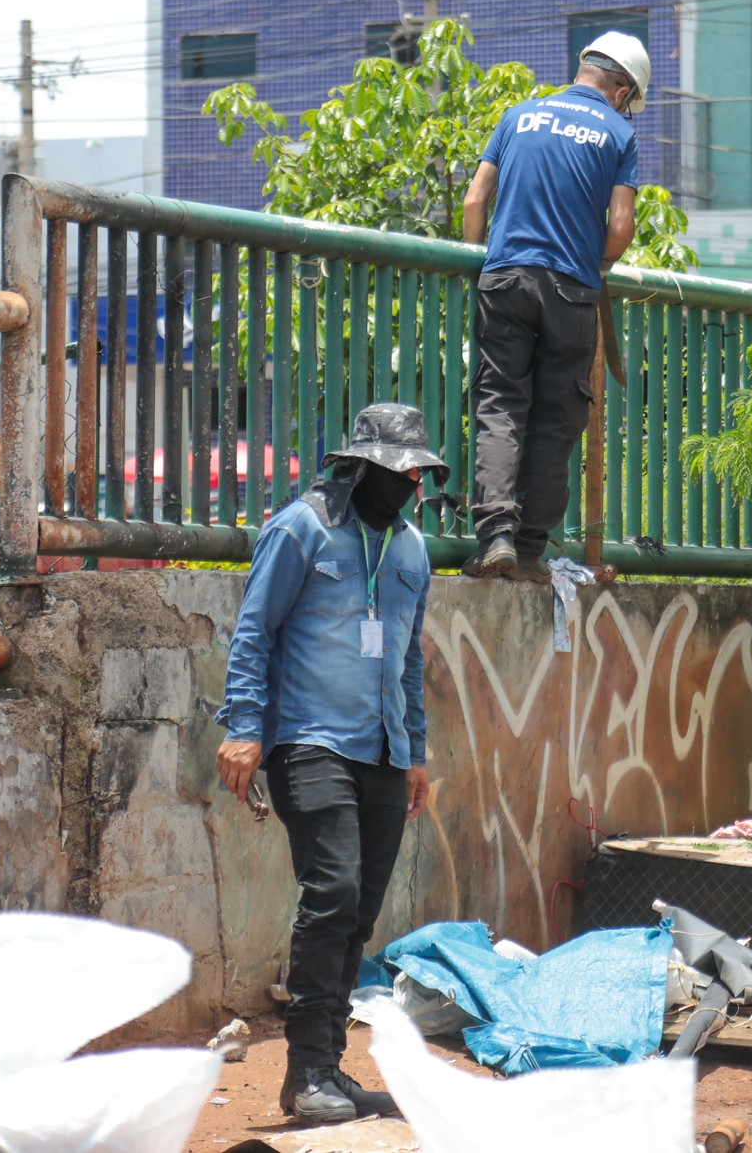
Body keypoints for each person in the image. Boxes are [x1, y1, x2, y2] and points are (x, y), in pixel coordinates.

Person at [215, 404, 445, 1124]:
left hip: (383, 751)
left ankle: (327, 1069)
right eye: (401, 470)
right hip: (308, 741)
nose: (412, 483)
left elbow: (408, 658)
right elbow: (254, 631)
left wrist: (414, 751)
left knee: (358, 915)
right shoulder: (301, 528)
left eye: (419, 472)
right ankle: (305, 1070)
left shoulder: (411, 549)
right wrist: (245, 728)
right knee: (334, 889)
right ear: (363, 465)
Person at [458, 31, 650, 581]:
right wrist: (593, 267)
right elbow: (620, 227)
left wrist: (480, 263)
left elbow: (475, 200)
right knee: (556, 418)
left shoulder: (519, 114)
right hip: (571, 291)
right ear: (620, 90)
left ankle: (494, 537)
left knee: (499, 403)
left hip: (504, 278)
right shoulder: (618, 133)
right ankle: (531, 548)